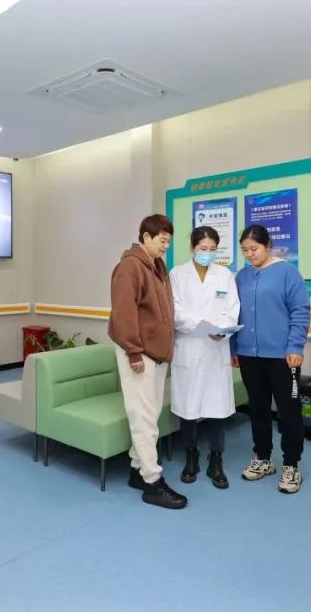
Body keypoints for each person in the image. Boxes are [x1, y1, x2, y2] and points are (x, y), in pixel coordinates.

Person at [108, 214, 188, 510]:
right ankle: (153, 482)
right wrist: (133, 352)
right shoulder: (130, 267)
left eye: (169, 241)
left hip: (156, 353)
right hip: (138, 353)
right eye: (161, 240)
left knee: (150, 415)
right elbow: (123, 313)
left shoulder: (157, 266)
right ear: (145, 237)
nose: (166, 245)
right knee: (142, 417)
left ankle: (136, 469)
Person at [230, 224, 311, 494]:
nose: (249, 254)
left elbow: (300, 310)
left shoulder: (288, 272)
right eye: (244, 250)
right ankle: (263, 458)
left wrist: (296, 346)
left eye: (254, 249)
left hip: (282, 356)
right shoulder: (241, 276)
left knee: (289, 410)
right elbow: (233, 314)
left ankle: (291, 465)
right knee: (257, 408)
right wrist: (233, 348)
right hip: (249, 355)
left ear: (268, 245)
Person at [169, 226, 239, 490]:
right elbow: (175, 310)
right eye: (202, 248)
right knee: (188, 407)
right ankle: (192, 456)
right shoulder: (177, 274)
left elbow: (232, 309)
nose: (207, 253)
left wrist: (222, 328)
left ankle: (216, 459)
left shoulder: (225, 275)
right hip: (189, 346)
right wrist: (202, 324)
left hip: (215, 348)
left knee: (217, 407)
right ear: (192, 248)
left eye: (212, 249)